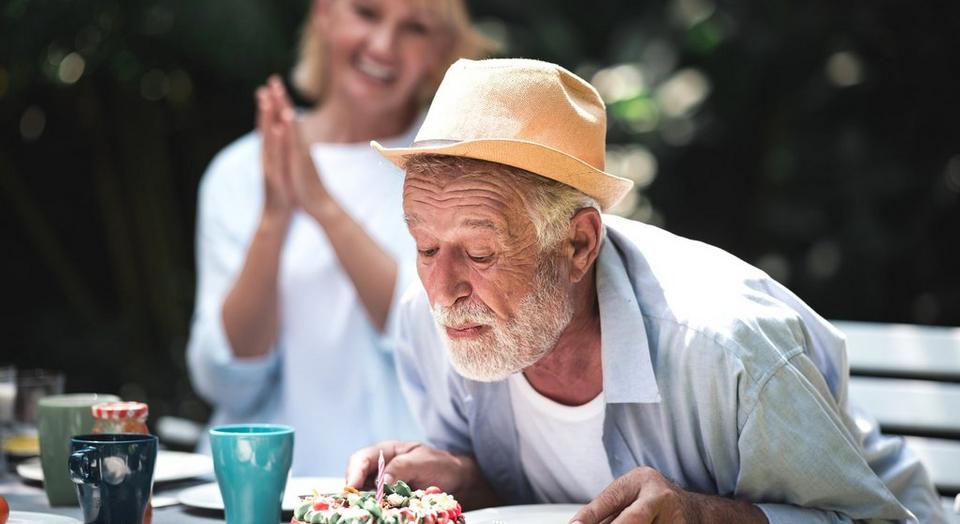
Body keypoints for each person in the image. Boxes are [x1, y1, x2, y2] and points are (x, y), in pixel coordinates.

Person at [344, 58, 947, 523]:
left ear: (578, 246)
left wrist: (701, 515)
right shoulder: (430, 324)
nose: (444, 289)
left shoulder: (724, 348)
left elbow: (872, 518)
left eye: (479, 253)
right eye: (424, 247)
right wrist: (463, 482)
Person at [186, 0, 491, 475]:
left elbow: (445, 345)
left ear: (441, 48)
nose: (383, 46)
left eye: (414, 27)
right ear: (325, 10)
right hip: (254, 491)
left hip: (395, 493)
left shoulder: (463, 172)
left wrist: (322, 205)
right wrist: (274, 218)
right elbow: (226, 382)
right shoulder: (239, 169)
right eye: (366, 13)